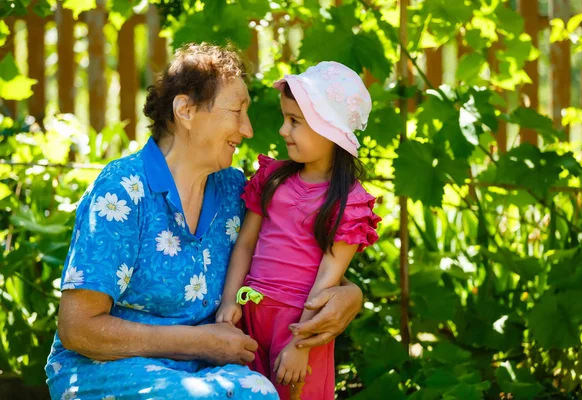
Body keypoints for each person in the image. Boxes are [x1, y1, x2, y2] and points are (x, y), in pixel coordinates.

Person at [45, 44, 364, 400]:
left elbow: (293, 259)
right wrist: (200, 342)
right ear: (186, 111)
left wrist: (350, 294)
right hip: (109, 368)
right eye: (237, 110)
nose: (248, 129)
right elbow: (78, 329)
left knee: (258, 392)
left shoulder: (233, 190)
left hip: (202, 371)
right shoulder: (122, 192)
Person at [216, 61, 381, 399]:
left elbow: (327, 281)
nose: (282, 130)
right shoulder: (273, 179)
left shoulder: (348, 203)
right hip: (250, 317)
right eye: (284, 118)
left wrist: (300, 345)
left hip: (299, 325)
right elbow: (246, 244)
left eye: (294, 121)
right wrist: (231, 300)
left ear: (328, 130)